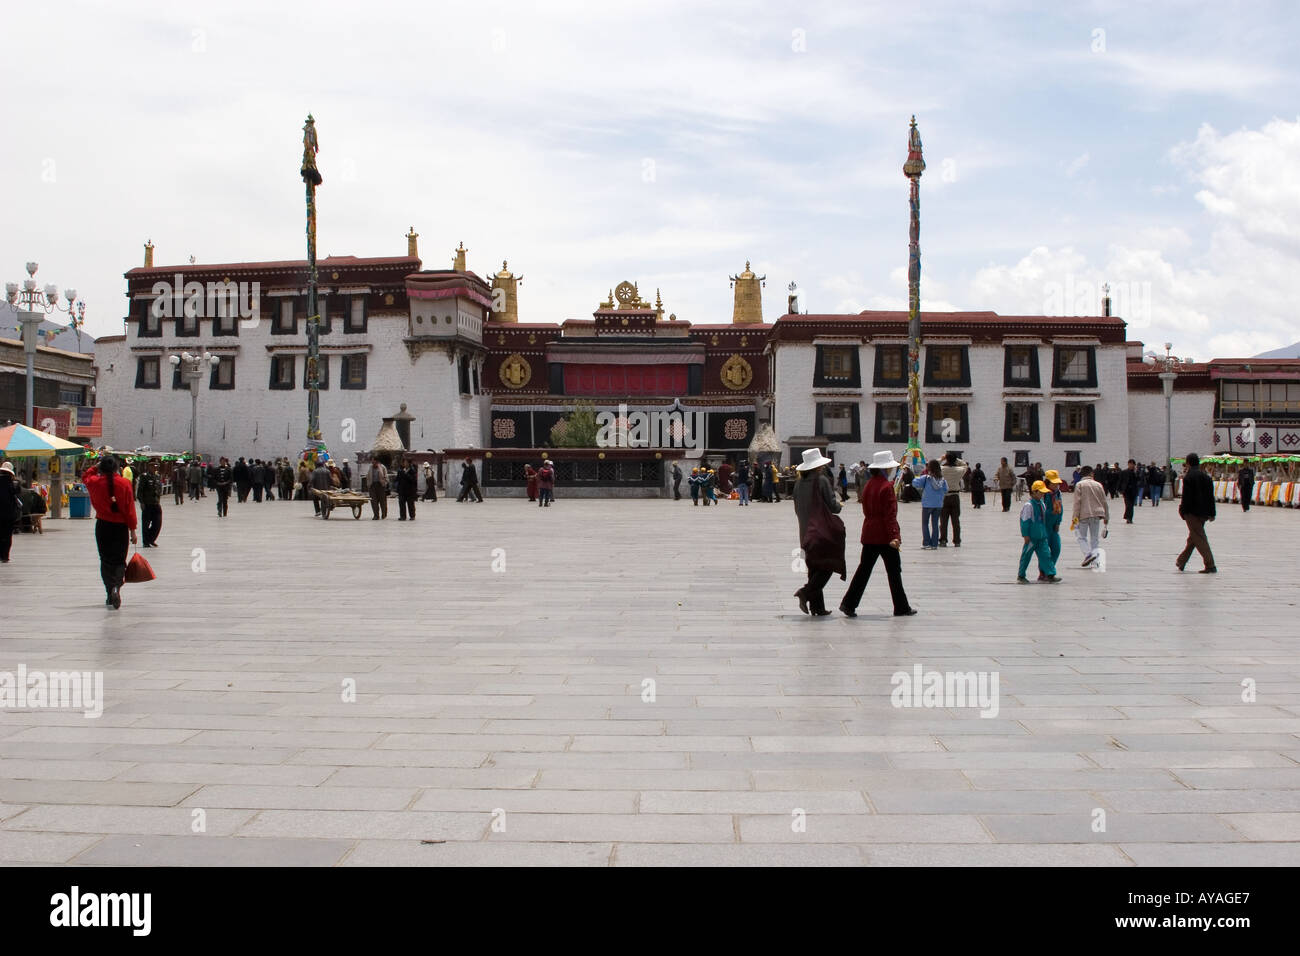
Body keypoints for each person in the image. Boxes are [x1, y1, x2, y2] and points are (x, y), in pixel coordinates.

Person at [839, 450, 916, 618]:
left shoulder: (868, 485)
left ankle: (848, 603)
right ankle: (901, 607)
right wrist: (895, 536)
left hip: (869, 532)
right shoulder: (886, 487)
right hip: (885, 536)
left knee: (864, 570)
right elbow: (890, 515)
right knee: (894, 571)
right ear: (886, 469)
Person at [81, 456, 138, 609]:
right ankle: (116, 588)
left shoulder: (94, 483)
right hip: (120, 528)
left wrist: (95, 466)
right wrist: (133, 531)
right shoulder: (125, 484)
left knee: (106, 560)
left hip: (103, 526)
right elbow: (130, 510)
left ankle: (109, 592)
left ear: (102, 468)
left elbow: (85, 476)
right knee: (119, 560)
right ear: (116, 468)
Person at [792, 448, 843, 617]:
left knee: (814, 567)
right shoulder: (821, 481)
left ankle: (817, 607)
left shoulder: (798, 483)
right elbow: (833, 505)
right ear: (818, 466)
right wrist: (839, 505)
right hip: (821, 530)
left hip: (804, 530)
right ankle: (805, 592)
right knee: (828, 565)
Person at [1177, 452, 1217, 573]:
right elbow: (1211, 497)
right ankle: (1181, 561)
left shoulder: (1189, 477)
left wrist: (1182, 510)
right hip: (1204, 512)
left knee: (1199, 537)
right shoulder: (1206, 477)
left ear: (1188, 463)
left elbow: (1187, 497)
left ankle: (1210, 564)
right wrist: (1212, 513)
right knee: (1194, 537)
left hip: (1192, 512)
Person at [1018, 480, 1060, 583]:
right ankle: (1021, 575)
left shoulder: (1042, 504)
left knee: (1046, 556)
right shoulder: (1029, 505)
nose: (1042, 495)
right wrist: (1025, 535)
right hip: (1032, 537)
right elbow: (1025, 521)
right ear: (1034, 492)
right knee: (1026, 556)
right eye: (1040, 492)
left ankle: (1050, 574)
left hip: (1042, 536)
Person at [1071, 465, 1109, 567]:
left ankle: (1088, 554)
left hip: (1084, 514)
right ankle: (1095, 561)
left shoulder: (1079, 485)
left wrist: (1074, 518)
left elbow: (1077, 503)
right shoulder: (1098, 485)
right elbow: (1104, 501)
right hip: (1097, 514)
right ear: (1091, 473)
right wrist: (1106, 517)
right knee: (1094, 538)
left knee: (1081, 537)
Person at [911, 460, 947, 550]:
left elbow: (914, 483)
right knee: (935, 524)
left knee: (925, 523)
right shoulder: (942, 479)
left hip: (927, 504)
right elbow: (946, 490)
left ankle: (926, 543)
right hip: (938, 505)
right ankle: (934, 544)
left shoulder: (926, 478)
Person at [938, 451, 967, 547]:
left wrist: (942, 458)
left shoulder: (941, 469)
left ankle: (943, 540)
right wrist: (956, 459)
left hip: (944, 497)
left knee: (943, 521)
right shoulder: (959, 470)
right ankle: (957, 540)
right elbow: (965, 465)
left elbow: (933, 465)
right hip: (955, 496)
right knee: (956, 521)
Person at [1042, 470, 1065, 576]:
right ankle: (1046, 573)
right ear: (1047, 482)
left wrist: (1058, 522)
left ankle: (1048, 570)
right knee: (1045, 552)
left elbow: (1061, 509)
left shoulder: (1058, 493)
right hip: (1044, 526)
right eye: (1053, 483)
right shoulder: (1043, 494)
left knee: (1056, 548)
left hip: (1054, 526)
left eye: (1057, 483)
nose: (1056, 485)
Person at [136, 461, 164, 548]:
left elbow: (158, 489)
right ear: (149, 467)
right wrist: (141, 502)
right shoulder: (144, 477)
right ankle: (146, 542)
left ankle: (151, 539)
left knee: (157, 523)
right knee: (146, 524)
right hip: (147, 503)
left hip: (155, 503)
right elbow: (140, 491)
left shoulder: (157, 476)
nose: (155, 468)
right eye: (153, 466)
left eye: (156, 466)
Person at [0, 461, 19, 563]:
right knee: (7, 535)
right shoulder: (14, 484)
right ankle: (5, 556)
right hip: (9, 514)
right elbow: (17, 493)